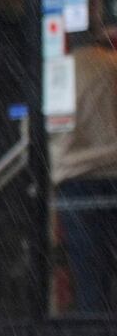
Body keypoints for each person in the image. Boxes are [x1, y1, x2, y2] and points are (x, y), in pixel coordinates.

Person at [51, 27, 117, 316]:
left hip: (75, 180)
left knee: (88, 268)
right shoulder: (111, 66)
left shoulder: (61, 71)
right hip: (113, 175)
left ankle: (95, 333)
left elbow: (53, 132)